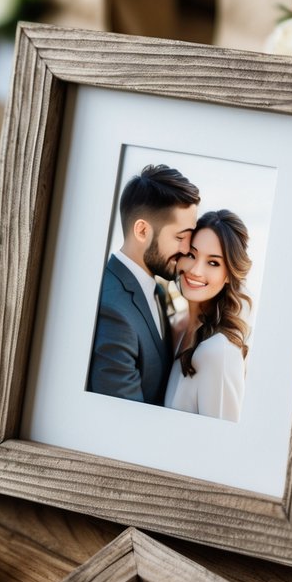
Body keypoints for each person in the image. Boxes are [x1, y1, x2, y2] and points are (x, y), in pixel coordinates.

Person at [88, 165, 200, 405]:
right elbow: (121, 420)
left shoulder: (157, 290)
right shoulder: (112, 310)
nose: (186, 250)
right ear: (142, 231)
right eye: (180, 237)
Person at [164, 211, 252, 424]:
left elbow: (222, 448)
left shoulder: (219, 352)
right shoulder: (178, 328)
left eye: (213, 263)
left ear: (229, 275)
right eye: (192, 255)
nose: (195, 270)